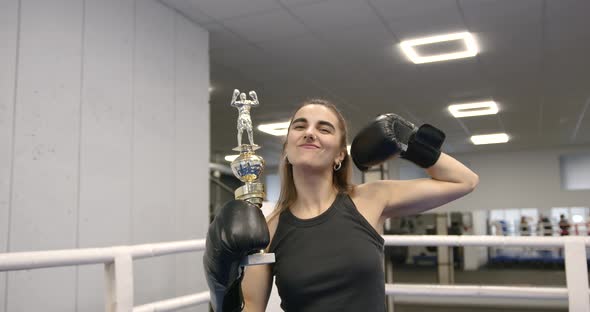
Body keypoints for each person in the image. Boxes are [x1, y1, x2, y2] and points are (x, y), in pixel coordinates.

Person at [204, 99, 479, 312]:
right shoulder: (269, 229)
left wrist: (410, 142)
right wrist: (222, 286)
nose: (310, 133)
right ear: (287, 148)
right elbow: (251, 308)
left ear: (339, 155)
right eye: (300, 126)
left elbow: (464, 181)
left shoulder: (369, 199)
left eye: (324, 129)